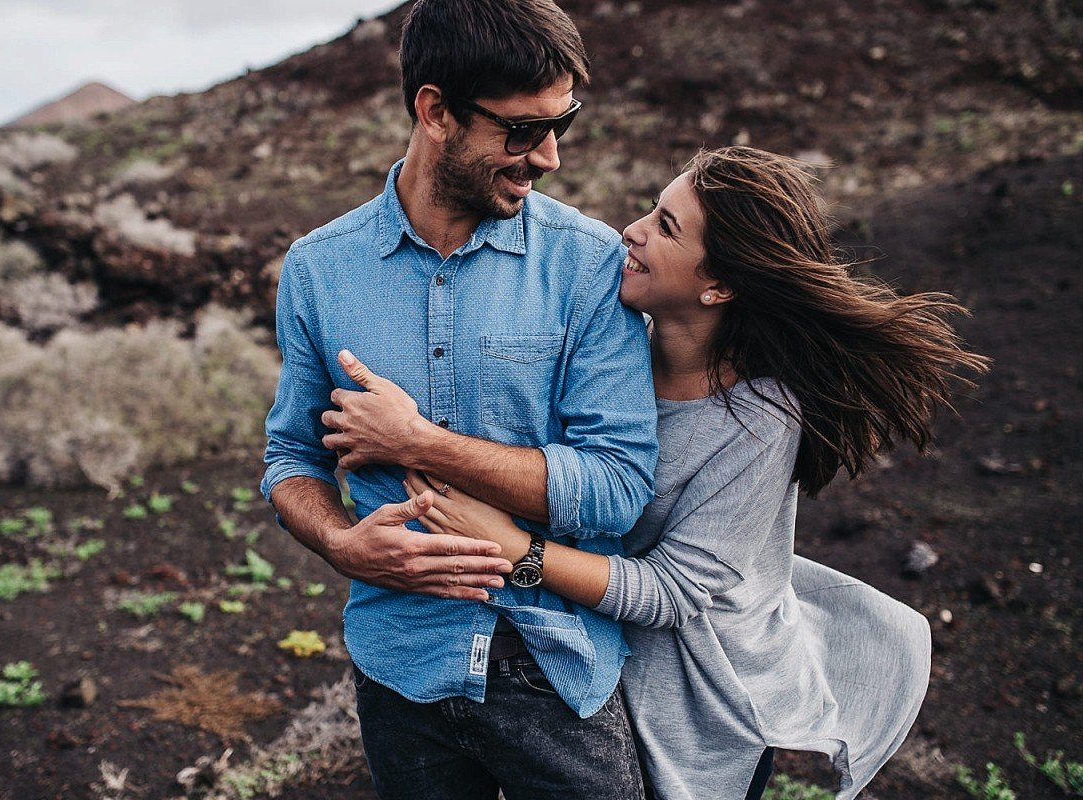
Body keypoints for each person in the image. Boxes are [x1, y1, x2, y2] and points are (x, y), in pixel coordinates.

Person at [378, 147, 990, 799]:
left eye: (666, 226)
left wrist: (515, 552)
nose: (633, 230)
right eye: (651, 210)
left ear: (718, 286)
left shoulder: (758, 420)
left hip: (708, 697)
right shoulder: (614, 356)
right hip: (603, 669)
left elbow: (671, 593)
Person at [261, 1, 659, 798]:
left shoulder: (587, 266)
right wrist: (341, 544)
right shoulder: (318, 270)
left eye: (563, 125)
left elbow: (617, 488)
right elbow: (290, 458)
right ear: (435, 111)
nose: (547, 156)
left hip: (559, 673)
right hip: (399, 672)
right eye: (521, 130)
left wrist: (417, 442)